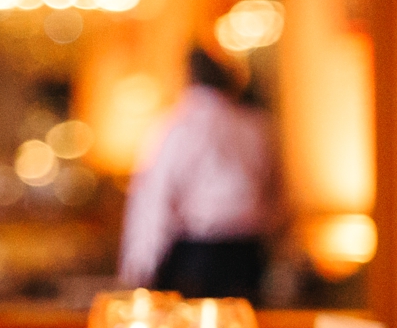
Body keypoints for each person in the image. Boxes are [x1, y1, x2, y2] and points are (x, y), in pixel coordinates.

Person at [118, 48, 281, 302]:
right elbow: (274, 193)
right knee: (243, 322)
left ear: (188, 77)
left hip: (197, 255)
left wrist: (139, 265)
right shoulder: (255, 126)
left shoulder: (176, 126)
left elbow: (155, 199)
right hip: (249, 253)